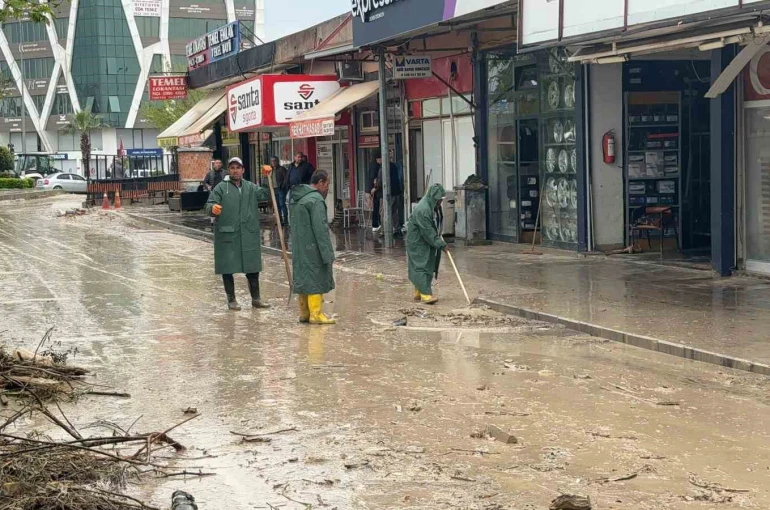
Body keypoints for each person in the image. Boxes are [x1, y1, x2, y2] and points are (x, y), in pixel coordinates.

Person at [205, 157, 272, 311]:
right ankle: (232, 300)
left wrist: (267, 177)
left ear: (243, 170)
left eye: (238, 167)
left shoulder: (250, 187)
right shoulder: (221, 188)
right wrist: (212, 208)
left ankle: (256, 299)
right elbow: (209, 204)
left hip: (248, 233)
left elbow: (266, 195)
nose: (235, 170)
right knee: (227, 267)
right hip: (228, 235)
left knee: (252, 267)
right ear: (229, 170)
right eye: (232, 168)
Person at [290, 170, 336, 325]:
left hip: (299, 247)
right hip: (313, 247)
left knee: (303, 278)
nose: (328, 189)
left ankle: (304, 313)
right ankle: (316, 314)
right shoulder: (315, 200)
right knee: (316, 279)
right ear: (321, 182)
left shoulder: (298, 198)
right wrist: (328, 254)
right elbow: (321, 229)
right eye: (327, 184)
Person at [406, 183, 448, 305]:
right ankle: (425, 295)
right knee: (422, 265)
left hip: (421, 241)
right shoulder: (423, 210)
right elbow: (428, 232)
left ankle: (418, 292)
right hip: (418, 242)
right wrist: (441, 244)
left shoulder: (429, 205)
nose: (440, 202)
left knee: (424, 264)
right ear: (434, 197)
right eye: (439, 200)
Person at [370, 151, 403, 236]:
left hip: (387, 194)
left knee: (383, 212)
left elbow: (381, 181)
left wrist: (375, 187)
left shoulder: (383, 168)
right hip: (396, 193)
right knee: (394, 212)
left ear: (381, 159)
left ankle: (385, 231)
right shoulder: (393, 166)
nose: (377, 162)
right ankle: (397, 230)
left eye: (378, 159)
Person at [270, 156, 289, 225]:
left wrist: (282, 186)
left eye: (275, 161)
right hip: (273, 189)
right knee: (277, 205)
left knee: (282, 204)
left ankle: (286, 220)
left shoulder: (281, 169)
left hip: (280, 189)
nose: (273, 162)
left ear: (277, 161)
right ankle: (279, 220)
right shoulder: (270, 170)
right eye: (272, 161)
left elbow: (286, 178)